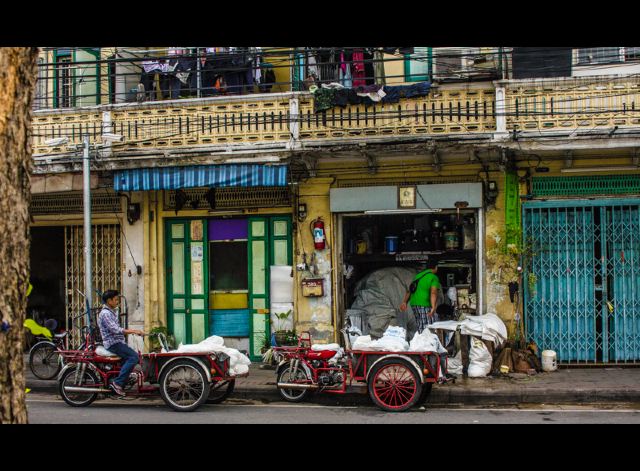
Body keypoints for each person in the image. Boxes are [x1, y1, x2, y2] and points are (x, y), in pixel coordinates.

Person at [97, 289, 145, 396]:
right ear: (109, 301)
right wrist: (133, 331)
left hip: (117, 342)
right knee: (134, 357)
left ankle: (121, 380)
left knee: (128, 358)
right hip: (113, 344)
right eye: (115, 300)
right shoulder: (105, 314)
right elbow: (115, 329)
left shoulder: (111, 312)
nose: (117, 301)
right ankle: (117, 383)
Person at [399, 260, 441, 333]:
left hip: (414, 304)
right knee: (428, 327)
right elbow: (433, 292)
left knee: (420, 324)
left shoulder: (418, 276)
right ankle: (426, 343)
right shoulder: (433, 277)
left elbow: (410, 290)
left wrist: (404, 302)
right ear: (436, 267)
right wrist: (434, 307)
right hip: (424, 304)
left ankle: (421, 341)